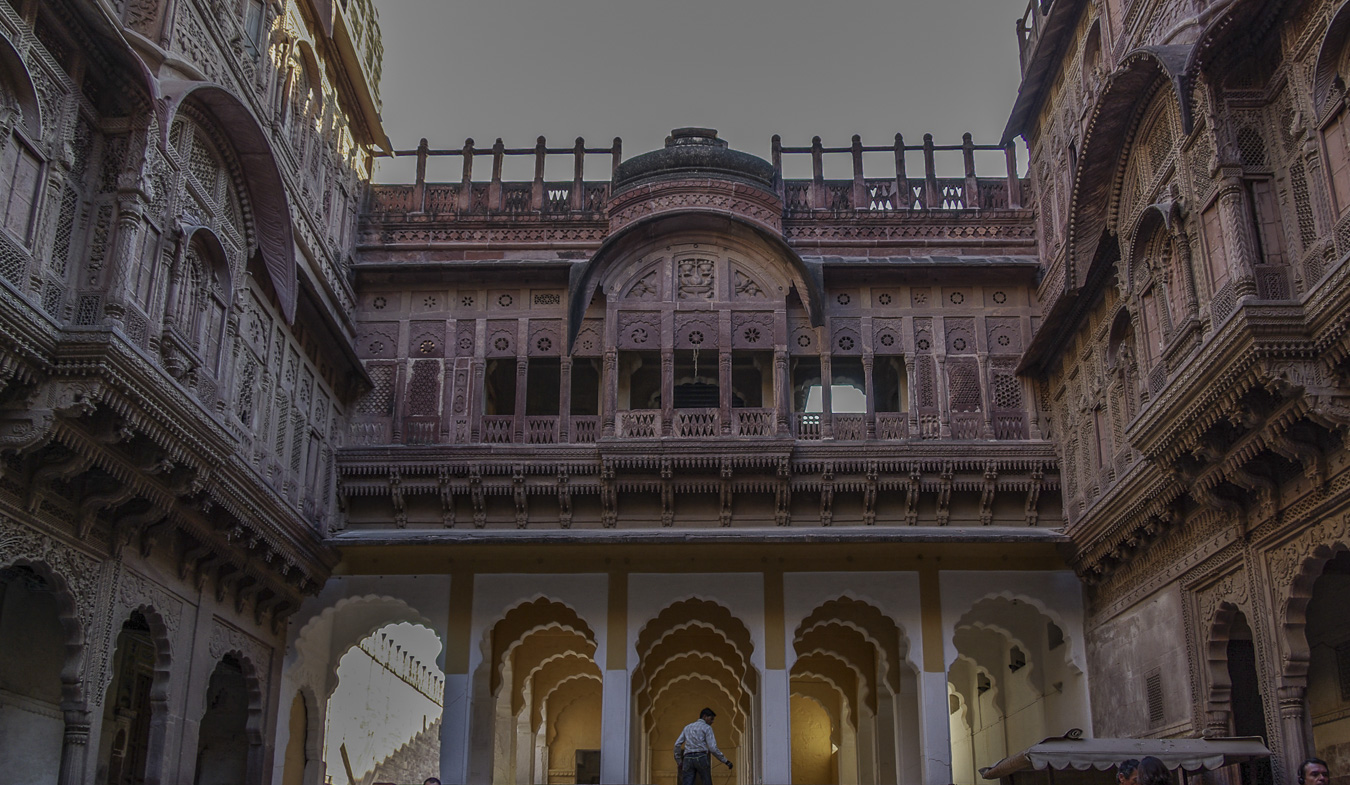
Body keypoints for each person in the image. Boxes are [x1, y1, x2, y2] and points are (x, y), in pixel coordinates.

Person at [674, 707, 732, 785]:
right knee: (706, 782)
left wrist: (679, 761)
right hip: (701, 757)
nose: (712, 721)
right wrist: (726, 761)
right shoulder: (707, 728)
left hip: (687, 758)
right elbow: (713, 748)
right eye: (711, 719)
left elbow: (677, 744)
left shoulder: (687, 727)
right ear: (704, 716)